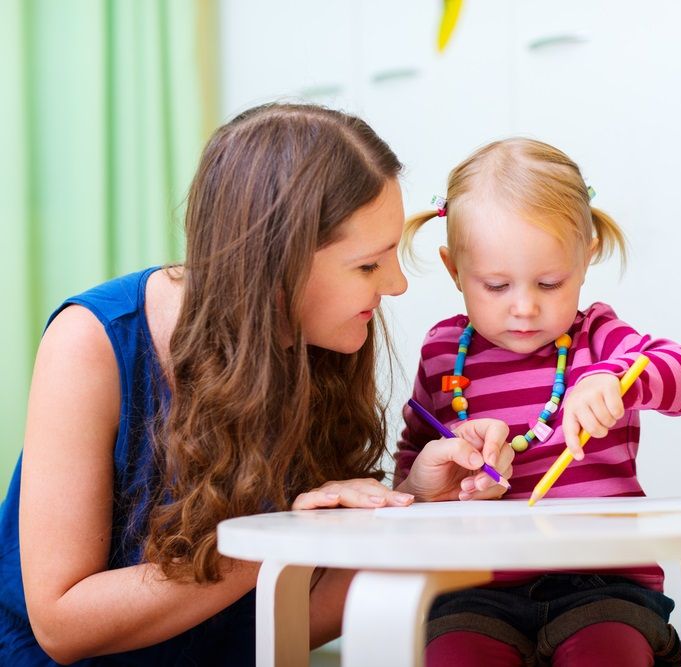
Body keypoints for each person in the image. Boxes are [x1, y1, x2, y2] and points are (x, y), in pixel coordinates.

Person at [0, 103, 512, 665]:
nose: (395, 286)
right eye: (368, 266)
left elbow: (292, 617)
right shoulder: (92, 341)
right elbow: (62, 625)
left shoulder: (320, 345)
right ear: (275, 264)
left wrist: (414, 501)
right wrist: (280, 540)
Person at [395, 138, 681, 667]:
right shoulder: (444, 354)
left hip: (604, 586)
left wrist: (615, 377)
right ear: (453, 270)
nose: (524, 306)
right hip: (474, 588)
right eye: (495, 285)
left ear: (586, 258)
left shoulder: (599, 338)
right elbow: (413, 468)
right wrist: (432, 493)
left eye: (549, 282)